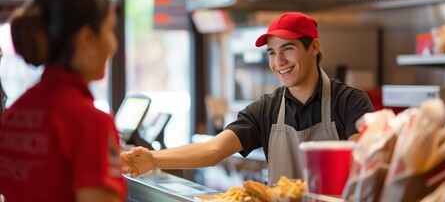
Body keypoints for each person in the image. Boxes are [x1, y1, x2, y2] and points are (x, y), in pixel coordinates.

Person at [121, 12, 374, 185]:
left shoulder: (350, 102)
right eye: (272, 53)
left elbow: (365, 161)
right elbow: (212, 150)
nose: (279, 62)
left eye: (288, 49)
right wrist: (154, 159)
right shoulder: (267, 108)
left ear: (314, 48)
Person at [0, 0, 125, 202]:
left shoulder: (15, 114)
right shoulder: (90, 122)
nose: (113, 44)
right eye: (109, 30)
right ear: (87, 37)